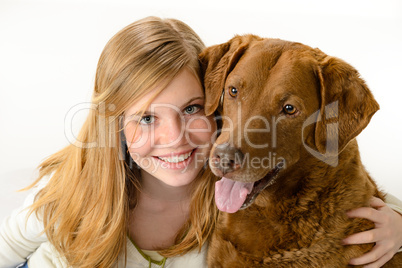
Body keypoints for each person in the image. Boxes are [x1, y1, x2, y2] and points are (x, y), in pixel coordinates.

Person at [0, 16, 401, 268]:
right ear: (115, 123)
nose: (174, 138)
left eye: (192, 109)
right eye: (146, 117)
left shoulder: (227, 192)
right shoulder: (71, 193)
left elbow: (356, 192)